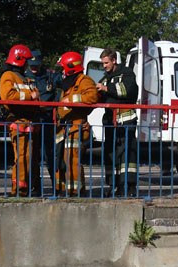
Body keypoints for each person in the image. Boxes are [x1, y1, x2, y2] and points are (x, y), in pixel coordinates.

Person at [96, 48, 139, 197]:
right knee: (111, 154)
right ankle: (113, 185)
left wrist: (107, 89)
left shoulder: (127, 74)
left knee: (127, 155)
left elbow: (129, 90)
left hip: (126, 121)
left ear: (114, 60)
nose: (104, 66)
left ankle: (129, 187)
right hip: (110, 122)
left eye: (106, 63)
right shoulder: (106, 77)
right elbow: (99, 94)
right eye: (103, 63)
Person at [54, 51, 98, 196]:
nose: (62, 71)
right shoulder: (68, 83)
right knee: (61, 160)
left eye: (63, 67)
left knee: (73, 160)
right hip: (64, 128)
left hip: (76, 127)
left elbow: (92, 97)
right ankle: (61, 189)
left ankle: (75, 191)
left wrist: (72, 99)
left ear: (71, 66)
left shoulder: (84, 81)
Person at [0, 44, 38, 197]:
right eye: (26, 61)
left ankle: (28, 187)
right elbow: (8, 96)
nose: (28, 64)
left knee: (30, 158)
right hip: (18, 121)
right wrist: (29, 97)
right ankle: (19, 190)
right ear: (19, 59)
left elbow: (37, 97)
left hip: (29, 121)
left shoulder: (25, 78)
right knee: (21, 158)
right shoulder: (8, 76)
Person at [26, 51, 62, 196]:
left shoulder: (50, 75)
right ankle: (35, 188)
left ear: (41, 63)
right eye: (31, 65)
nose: (34, 68)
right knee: (32, 154)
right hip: (32, 118)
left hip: (48, 119)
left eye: (36, 65)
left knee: (51, 155)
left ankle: (57, 187)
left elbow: (65, 83)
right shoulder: (24, 76)